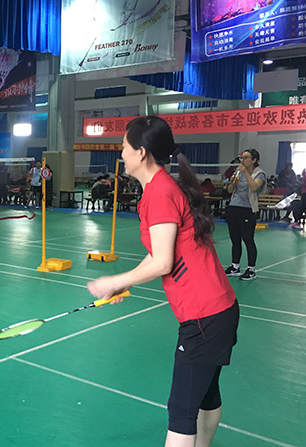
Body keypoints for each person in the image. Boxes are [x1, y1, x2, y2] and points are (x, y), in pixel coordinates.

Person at [87, 116, 239, 447]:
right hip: (218, 310)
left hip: (204, 316)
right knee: (206, 396)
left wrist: (113, 280)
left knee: (182, 411)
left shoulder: (159, 192)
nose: (121, 154)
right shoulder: (161, 188)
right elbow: (161, 251)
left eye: (124, 147)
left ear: (141, 152)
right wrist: (125, 284)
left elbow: (162, 263)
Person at [224, 149, 266, 280]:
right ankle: (235, 266)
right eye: (242, 158)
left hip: (247, 209)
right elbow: (230, 190)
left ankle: (251, 269)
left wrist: (245, 172)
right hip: (233, 207)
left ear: (254, 160)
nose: (243, 160)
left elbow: (254, 187)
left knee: (248, 239)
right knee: (235, 239)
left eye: (246, 158)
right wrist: (233, 182)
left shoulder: (259, 174)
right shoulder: (238, 172)